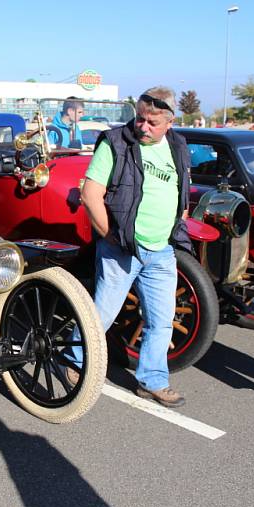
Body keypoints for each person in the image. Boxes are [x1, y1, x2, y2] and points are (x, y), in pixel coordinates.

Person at [78, 86, 192, 408]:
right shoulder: (115, 142)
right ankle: (74, 362)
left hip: (161, 250)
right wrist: (109, 235)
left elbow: (182, 184)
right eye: (140, 118)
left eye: (152, 122)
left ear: (169, 122)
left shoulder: (178, 146)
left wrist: (177, 219)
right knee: (100, 316)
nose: (143, 126)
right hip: (122, 250)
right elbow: (90, 194)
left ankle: (152, 381)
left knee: (161, 321)